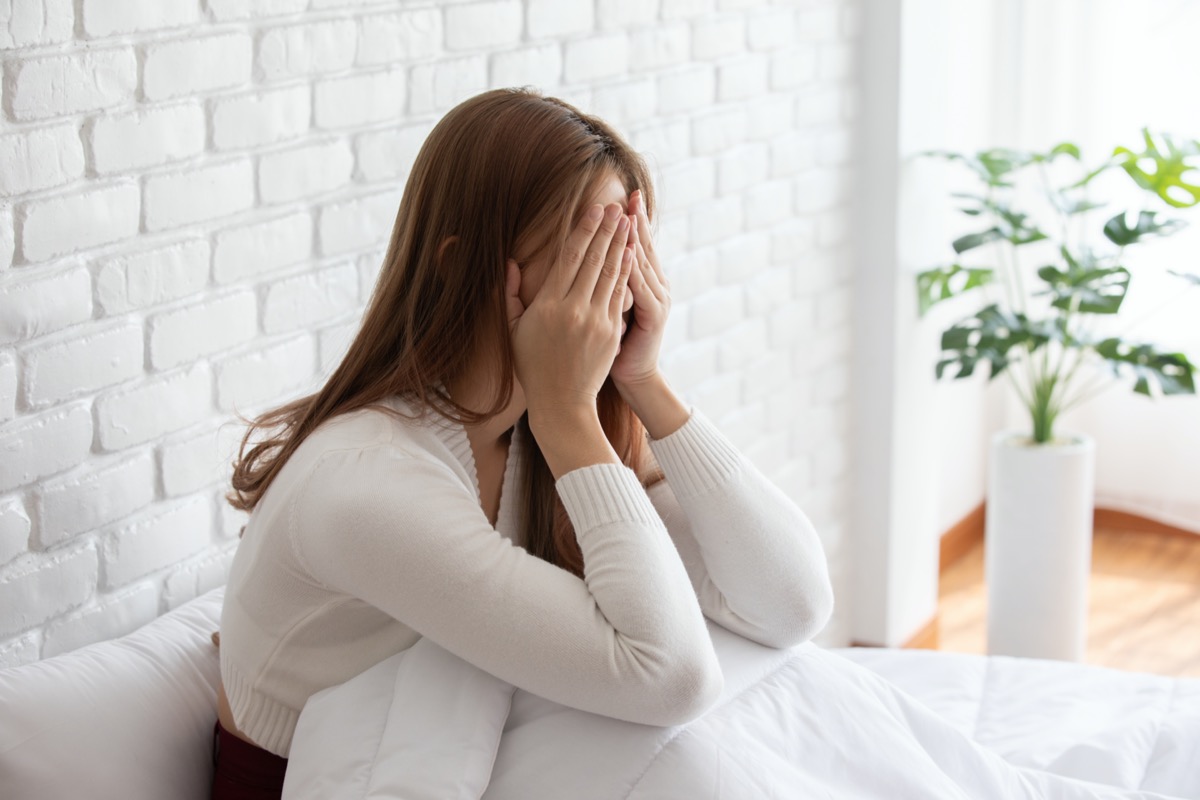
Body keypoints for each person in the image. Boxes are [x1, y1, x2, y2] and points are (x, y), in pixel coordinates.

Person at [209, 87, 835, 799]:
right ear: (460, 265)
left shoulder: (532, 440)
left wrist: (646, 381)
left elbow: (791, 606)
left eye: (625, 252)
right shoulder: (364, 482)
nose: (617, 291)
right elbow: (672, 676)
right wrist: (567, 410)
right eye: (587, 258)